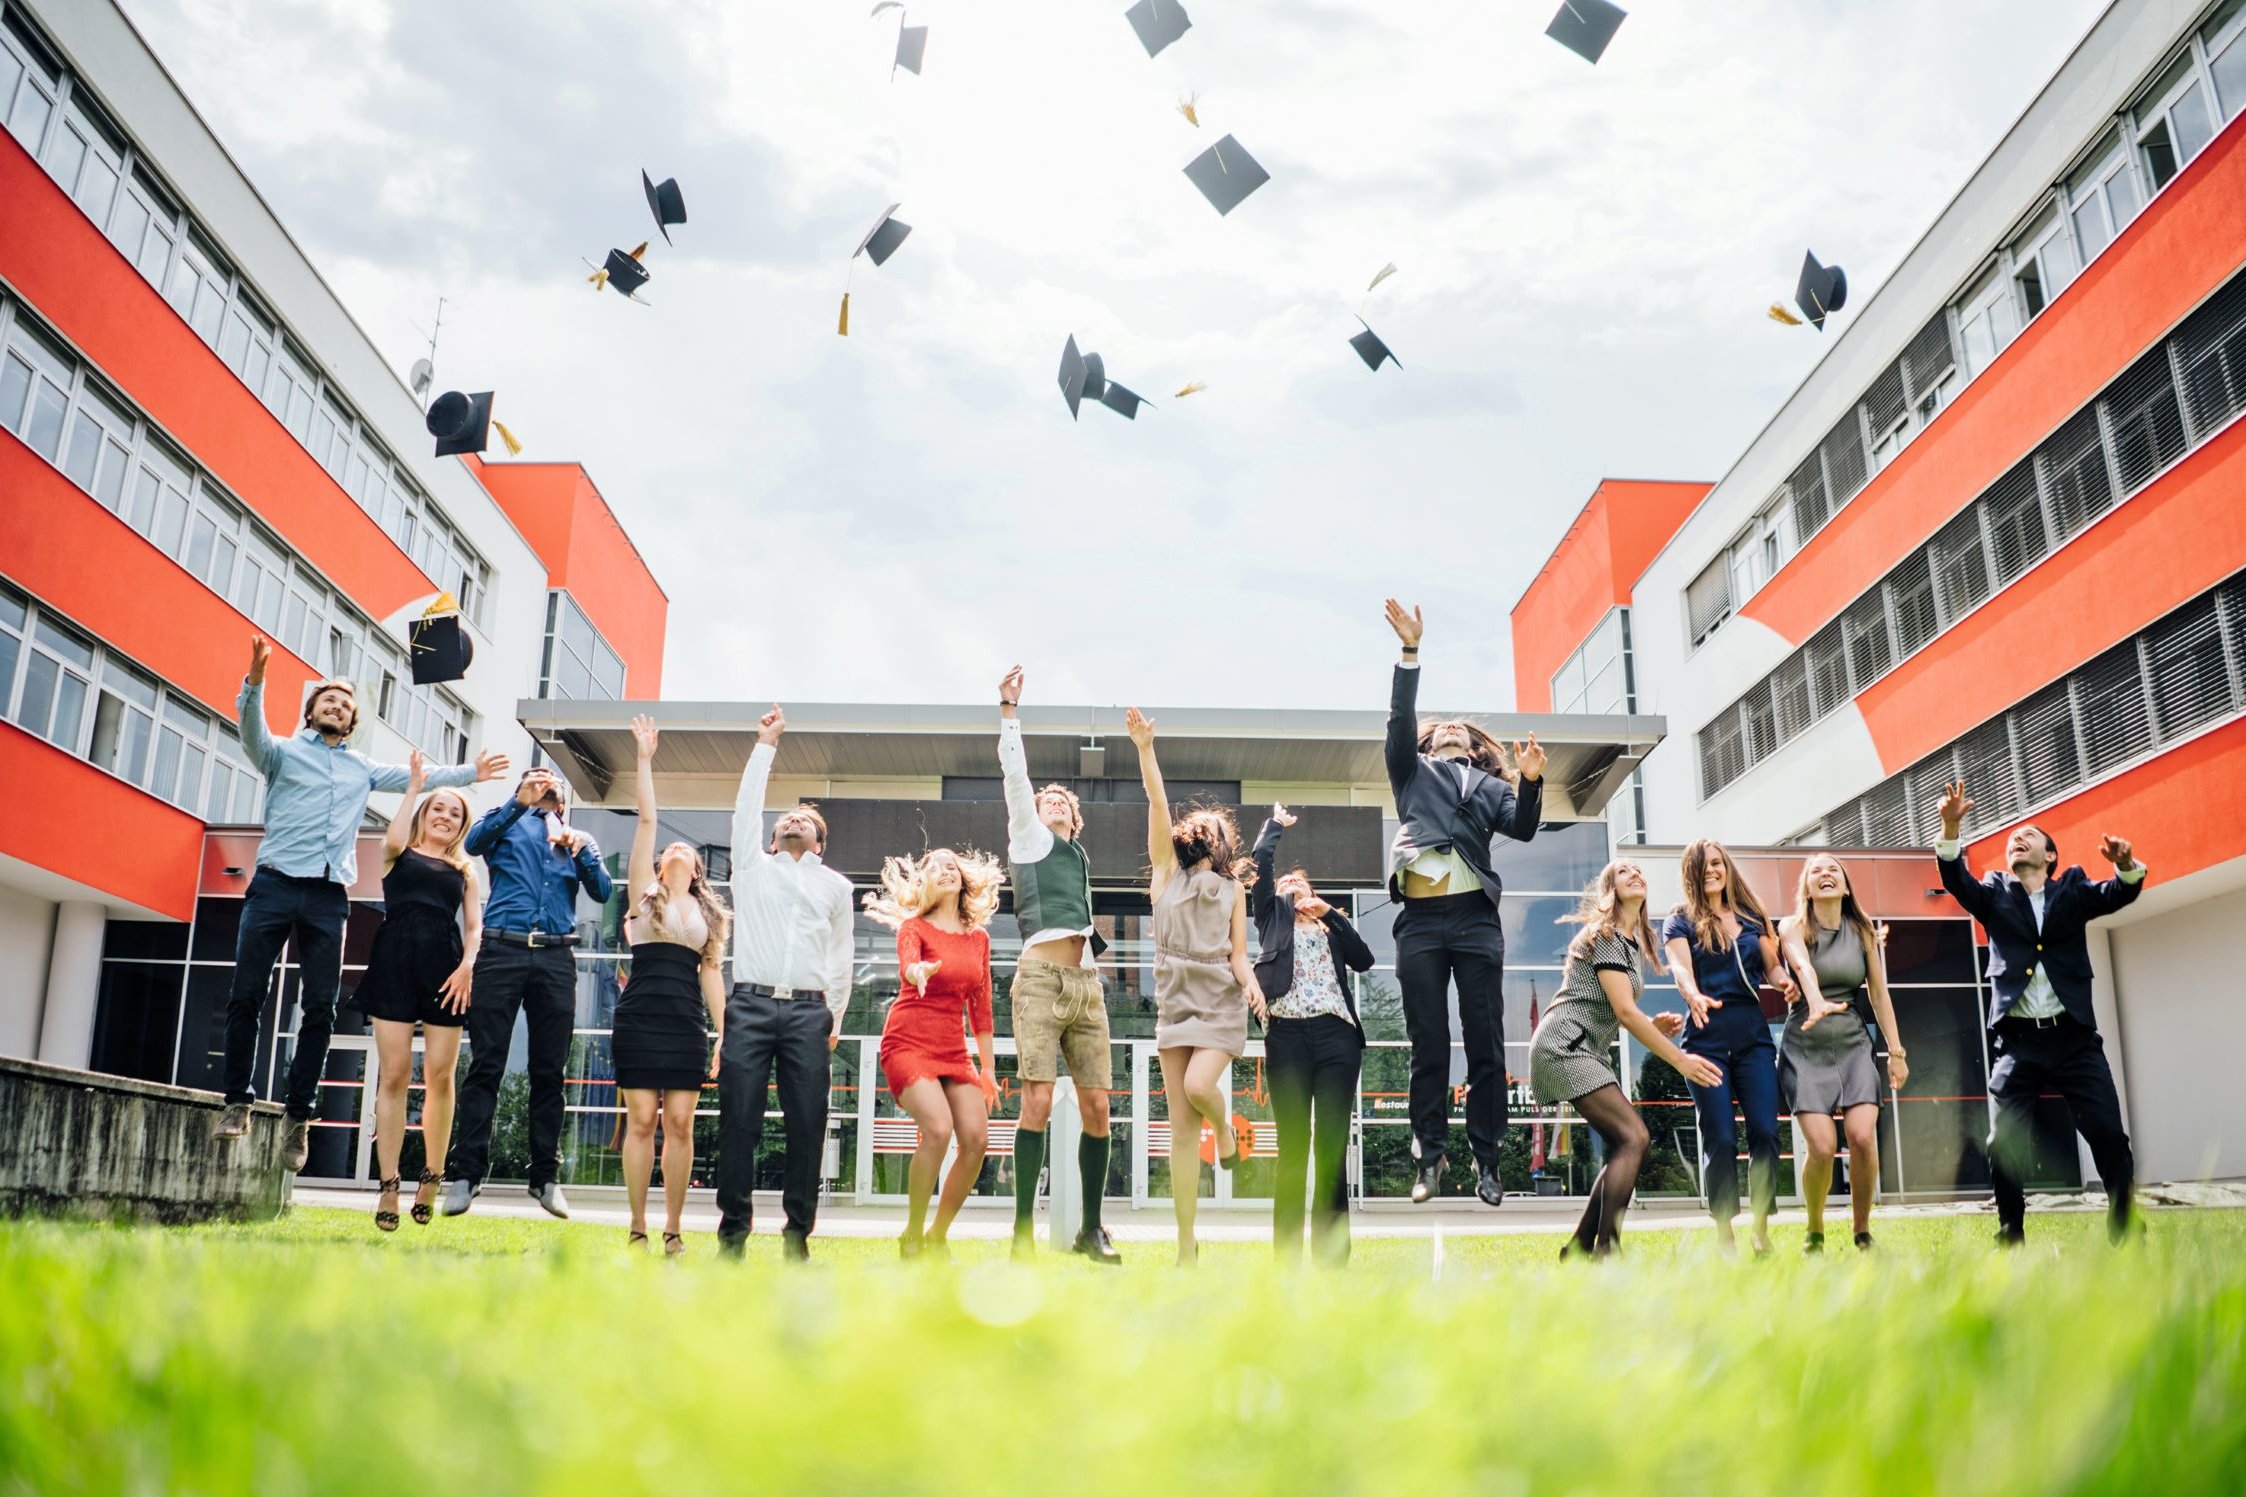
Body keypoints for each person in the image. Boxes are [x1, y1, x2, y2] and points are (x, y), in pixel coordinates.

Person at [213, 634, 506, 1170]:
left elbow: (420, 780)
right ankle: (237, 1101)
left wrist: (472, 775)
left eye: (346, 704)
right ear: (312, 711)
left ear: (351, 722)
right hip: (275, 885)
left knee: (322, 1006)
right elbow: (250, 730)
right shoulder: (279, 754)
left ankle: (298, 1115)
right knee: (246, 994)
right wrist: (254, 677)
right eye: (328, 698)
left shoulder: (363, 768)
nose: (336, 704)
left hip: (328, 895)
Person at [1381, 599, 1544, 1207]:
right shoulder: (1411, 772)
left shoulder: (1492, 787)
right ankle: (1429, 1160)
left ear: (1476, 749)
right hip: (1420, 922)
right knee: (1428, 1041)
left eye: (1461, 730)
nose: (1451, 728)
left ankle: (1488, 1162)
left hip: (1475, 921)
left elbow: (1524, 828)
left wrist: (1529, 782)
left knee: (1485, 1042)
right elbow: (1400, 723)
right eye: (1442, 727)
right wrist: (1410, 653)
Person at [1934, 781, 2145, 1245]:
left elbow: (2119, 893)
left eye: (2028, 835)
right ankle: (2011, 1230)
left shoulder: (2072, 887)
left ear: (2050, 856)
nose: (2017, 839)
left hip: (2073, 1040)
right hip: (2019, 1044)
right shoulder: (1994, 892)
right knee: (2001, 1141)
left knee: (2108, 1132)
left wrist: (2127, 865)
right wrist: (1951, 827)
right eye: (2012, 838)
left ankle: (2125, 1221)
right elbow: (1955, 880)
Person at [442, 765, 616, 1219]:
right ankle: (466, 1174)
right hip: (502, 951)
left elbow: (601, 892)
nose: (546, 781)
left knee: (549, 1070)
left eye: (552, 781)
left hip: (557, 958)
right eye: (537, 777)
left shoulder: (578, 839)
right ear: (522, 786)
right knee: (485, 1065)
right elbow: (474, 843)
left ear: (562, 798)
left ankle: (544, 1177)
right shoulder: (504, 822)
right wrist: (518, 801)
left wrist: (583, 854)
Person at [1529, 859, 1724, 1258]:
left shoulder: (1629, 943)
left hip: (1581, 1046)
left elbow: (1609, 1005)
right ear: (1610, 890)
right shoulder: (1605, 935)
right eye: (1623, 872)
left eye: (1638, 870)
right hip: (1564, 1045)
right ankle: (1607, 1249)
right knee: (1634, 1137)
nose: (1635, 874)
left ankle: (1581, 1249)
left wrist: (1652, 1024)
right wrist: (1680, 1060)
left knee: (1626, 1141)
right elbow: (1624, 1012)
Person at [1128, 706, 1266, 1266]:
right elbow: (1158, 803)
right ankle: (1186, 1245)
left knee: (1201, 1088)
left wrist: (1253, 988)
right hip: (1175, 1005)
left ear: (1225, 841)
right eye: (1199, 823)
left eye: (1216, 826)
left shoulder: (1233, 892)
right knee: (1181, 1135)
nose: (1203, 828)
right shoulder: (1165, 874)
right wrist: (1145, 749)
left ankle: (1228, 1136)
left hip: (1218, 1003)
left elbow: (1238, 954)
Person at [716, 705, 855, 1262]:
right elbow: (745, 811)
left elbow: (842, 958)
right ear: (772, 838)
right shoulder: (752, 867)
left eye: (805, 821)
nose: (792, 821)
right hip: (748, 1006)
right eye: (785, 820)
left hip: (808, 1014)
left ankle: (798, 1237)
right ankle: (732, 1238)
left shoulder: (837, 888)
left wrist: (836, 1018)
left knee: (807, 1126)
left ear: (818, 842)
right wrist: (765, 746)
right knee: (739, 1123)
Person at [997, 666, 1120, 1264]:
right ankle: (1022, 1234)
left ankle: (1090, 1232)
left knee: (1099, 1106)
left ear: (1073, 817)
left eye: (1058, 801)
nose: (1047, 802)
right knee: (1038, 1101)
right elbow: (1015, 779)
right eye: (1041, 801)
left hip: (1085, 985)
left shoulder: (1078, 856)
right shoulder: (1029, 841)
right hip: (1041, 980)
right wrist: (1009, 712)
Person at [347, 749, 482, 1231]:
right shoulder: (397, 854)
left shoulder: (465, 871)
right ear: (425, 813)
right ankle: (388, 1186)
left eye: (456, 813)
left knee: (441, 1077)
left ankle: (433, 1174)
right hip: (394, 965)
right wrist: (412, 788)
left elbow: (474, 927)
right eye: (439, 808)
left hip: (446, 971)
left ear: (462, 826)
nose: (446, 816)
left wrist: (468, 966)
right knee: (395, 1075)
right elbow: (393, 836)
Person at [615, 716, 732, 1255]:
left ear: (698, 867)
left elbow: (711, 973)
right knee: (641, 1120)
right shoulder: (645, 895)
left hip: (685, 1018)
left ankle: (674, 1229)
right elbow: (645, 819)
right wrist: (644, 759)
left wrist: (723, 1033)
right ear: (661, 863)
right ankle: (638, 1225)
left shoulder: (707, 911)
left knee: (680, 1123)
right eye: (670, 849)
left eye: (687, 850)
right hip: (641, 1013)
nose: (677, 849)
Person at [863, 848, 1004, 1259]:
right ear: (924, 881)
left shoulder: (979, 938)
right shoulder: (914, 928)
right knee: (938, 1129)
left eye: (952, 866)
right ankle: (911, 1232)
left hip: (953, 1049)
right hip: (907, 1041)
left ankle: (937, 1236)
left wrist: (988, 1068)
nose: (946, 871)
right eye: (936, 867)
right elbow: (909, 963)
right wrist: (917, 971)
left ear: (963, 879)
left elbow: (982, 1006)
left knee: (977, 1140)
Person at [1250, 805, 1375, 1266]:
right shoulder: (1271, 919)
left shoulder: (1331, 930)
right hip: (1285, 1037)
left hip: (1335, 1036)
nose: (1291, 892)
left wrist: (1332, 915)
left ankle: (1332, 1258)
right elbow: (1262, 867)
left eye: (1299, 888)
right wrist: (1274, 828)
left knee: (1330, 1146)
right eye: (1286, 888)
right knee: (1293, 1147)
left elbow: (1365, 961)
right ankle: (1285, 1258)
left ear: (1315, 896)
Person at [1662, 838, 1793, 1255]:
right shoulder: (1679, 920)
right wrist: (1692, 994)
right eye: (1703, 865)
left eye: (1717, 863)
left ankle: (1760, 1227)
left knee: (1766, 1132)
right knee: (1719, 1135)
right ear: (1692, 874)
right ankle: (1724, 1230)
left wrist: (1782, 981)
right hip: (1707, 1039)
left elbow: (1771, 965)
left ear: (1727, 867)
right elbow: (1680, 966)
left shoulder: (1753, 917)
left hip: (1753, 1038)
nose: (1712, 870)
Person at [1775, 854, 1910, 1253]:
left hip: (1852, 1042)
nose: (1826, 874)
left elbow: (1879, 993)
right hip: (1806, 1042)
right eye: (1816, 871)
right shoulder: (1792, 927)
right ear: (1807, 889)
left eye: (1833, 869)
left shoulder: (1863, 931)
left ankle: (1862, 1231)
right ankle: (1814, 1228)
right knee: (1821, 1147)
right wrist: (1814, 1000)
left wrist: (1896, 1051)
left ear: (1846, 886)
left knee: (1862, 1137)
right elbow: (1802, 966)